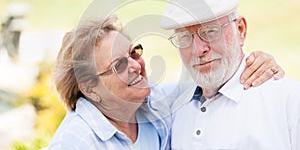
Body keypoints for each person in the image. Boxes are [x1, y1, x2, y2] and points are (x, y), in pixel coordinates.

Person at [47, 13, 284, 149]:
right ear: (90, 88)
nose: (135, 65)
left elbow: (213, 83)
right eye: (118, 65)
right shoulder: (74, 142)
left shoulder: (155, 104)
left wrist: (255, 63)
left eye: (133, 53)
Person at [160, 0, 300, 149]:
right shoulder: (173, 107)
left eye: (210, 31)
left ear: (240, 30)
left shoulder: (289, 101)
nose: (198, 50)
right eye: (184, 37)